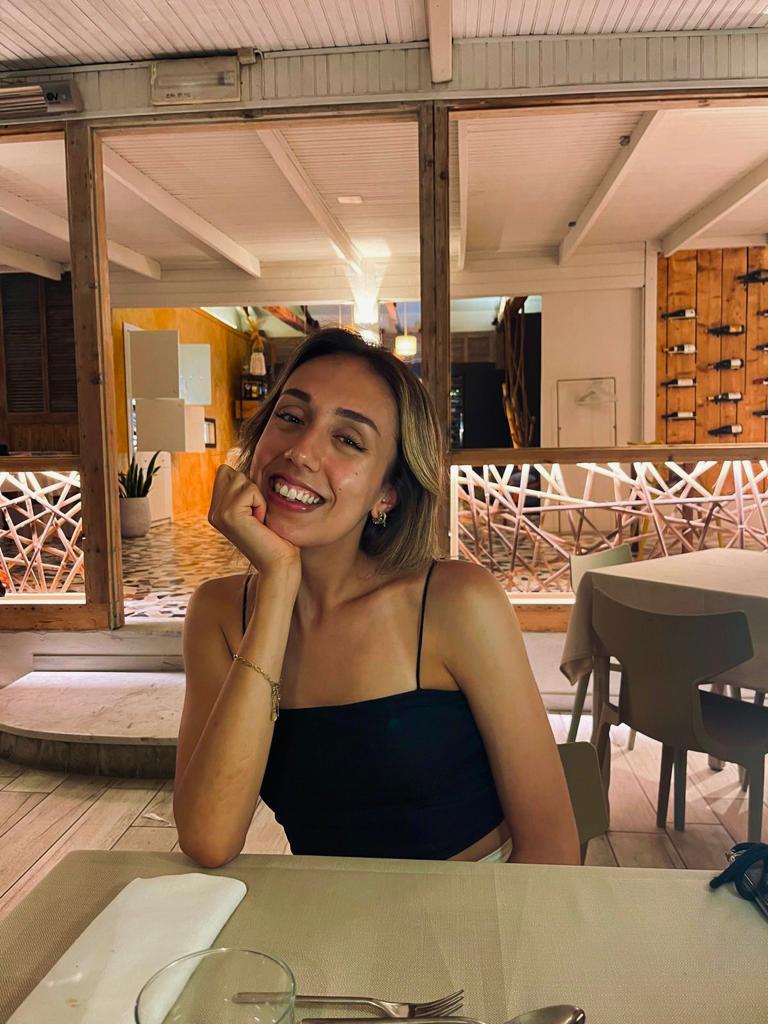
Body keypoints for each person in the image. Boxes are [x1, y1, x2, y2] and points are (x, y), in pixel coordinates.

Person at [174, 327, 579, 867]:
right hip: (327, 909)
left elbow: (552, 846)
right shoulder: (219, 614)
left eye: (348, 440)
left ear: (387, 493)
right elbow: (208, 838)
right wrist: (277, 585)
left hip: (479, 903)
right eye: (290, 417)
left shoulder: (456, 602)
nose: (301, 451)